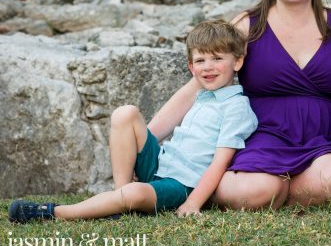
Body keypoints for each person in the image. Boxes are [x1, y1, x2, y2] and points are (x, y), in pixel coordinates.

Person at [148, 0, 331, 210]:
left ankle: (274, 193)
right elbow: (200, 83)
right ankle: (265, 189)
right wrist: (147, 142)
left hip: (323, 140)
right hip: (262, 137)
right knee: (247, 190)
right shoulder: (248, 25)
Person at [8, 20, 257, 223]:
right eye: (200, 61)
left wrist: (193, 202)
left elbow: (220, 162)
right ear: (191, 67)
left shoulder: (236, 107)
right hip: (161, 164)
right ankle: (119, 196)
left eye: (217, 59)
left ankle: (53, 212)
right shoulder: (203, 96)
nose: (208, 67)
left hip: (182, 184)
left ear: (237, 61)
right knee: (124, 113)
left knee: (136, 193)